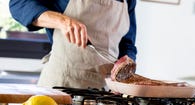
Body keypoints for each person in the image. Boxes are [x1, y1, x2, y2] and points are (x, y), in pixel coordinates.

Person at [9, 0, 137, 89]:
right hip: (61, 85)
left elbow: (127, 44)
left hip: (106, 93)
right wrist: (62, 21)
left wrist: (127, 61)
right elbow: (19, 3)